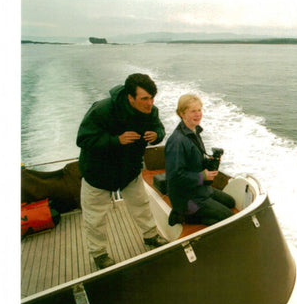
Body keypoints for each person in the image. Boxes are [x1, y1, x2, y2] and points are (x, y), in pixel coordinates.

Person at [77, 73, 169, 269]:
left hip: (129, 171)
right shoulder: (102, 110)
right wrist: (115, 140)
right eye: (144, 98)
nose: (150, 103)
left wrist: (157, 135)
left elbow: (159, 128)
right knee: (95, 218)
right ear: (130, 97)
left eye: (152, 98)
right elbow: (83, 139)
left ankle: (151, 236)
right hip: (98, 173)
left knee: (142, 205)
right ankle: (99, 254)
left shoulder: (151, 112)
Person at [165, 94, 235, 226]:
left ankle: (193, 213)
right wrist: (202, 176)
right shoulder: (177, 141)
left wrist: (210, 162)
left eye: (199, 110)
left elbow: (194, 163)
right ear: (182, 113)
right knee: (229, 218)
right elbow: (174, 177)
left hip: (199, 189)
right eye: (193, 111)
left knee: (230, 202)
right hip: (188, 198)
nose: (198, 114)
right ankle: (184, 216)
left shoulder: (194, 131)